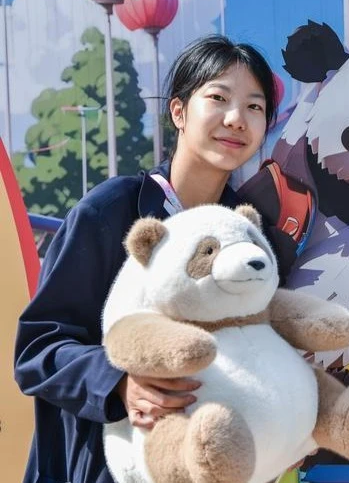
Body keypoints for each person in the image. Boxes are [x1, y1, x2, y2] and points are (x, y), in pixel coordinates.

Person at [13, 35, 280, 483]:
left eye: (254, 107)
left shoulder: (251, 235)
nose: (236, 119)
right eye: (218, 98)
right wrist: (119, 382)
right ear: (179, 111)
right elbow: (38, 348)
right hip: (104, 465)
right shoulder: (110, 211)